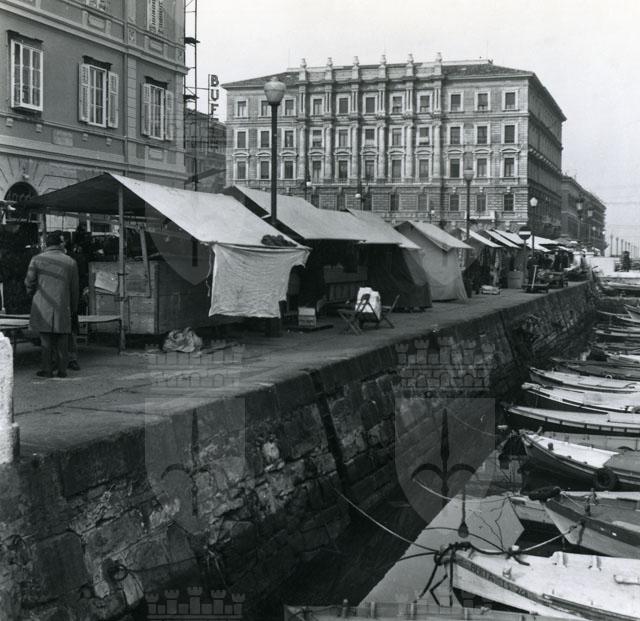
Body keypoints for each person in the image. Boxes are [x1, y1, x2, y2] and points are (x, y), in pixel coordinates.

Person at [25, 230, 79, 378]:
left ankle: (47, 370)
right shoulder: (71, 262)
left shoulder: (36, 259)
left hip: (43, 304)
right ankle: (62, 370)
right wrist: (73, 308)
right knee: (63, 338)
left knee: (45, 339)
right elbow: (75, 289)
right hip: (63, 305)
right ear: (60, 244)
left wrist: (32, 294)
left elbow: (29, 282)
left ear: (47, 244)